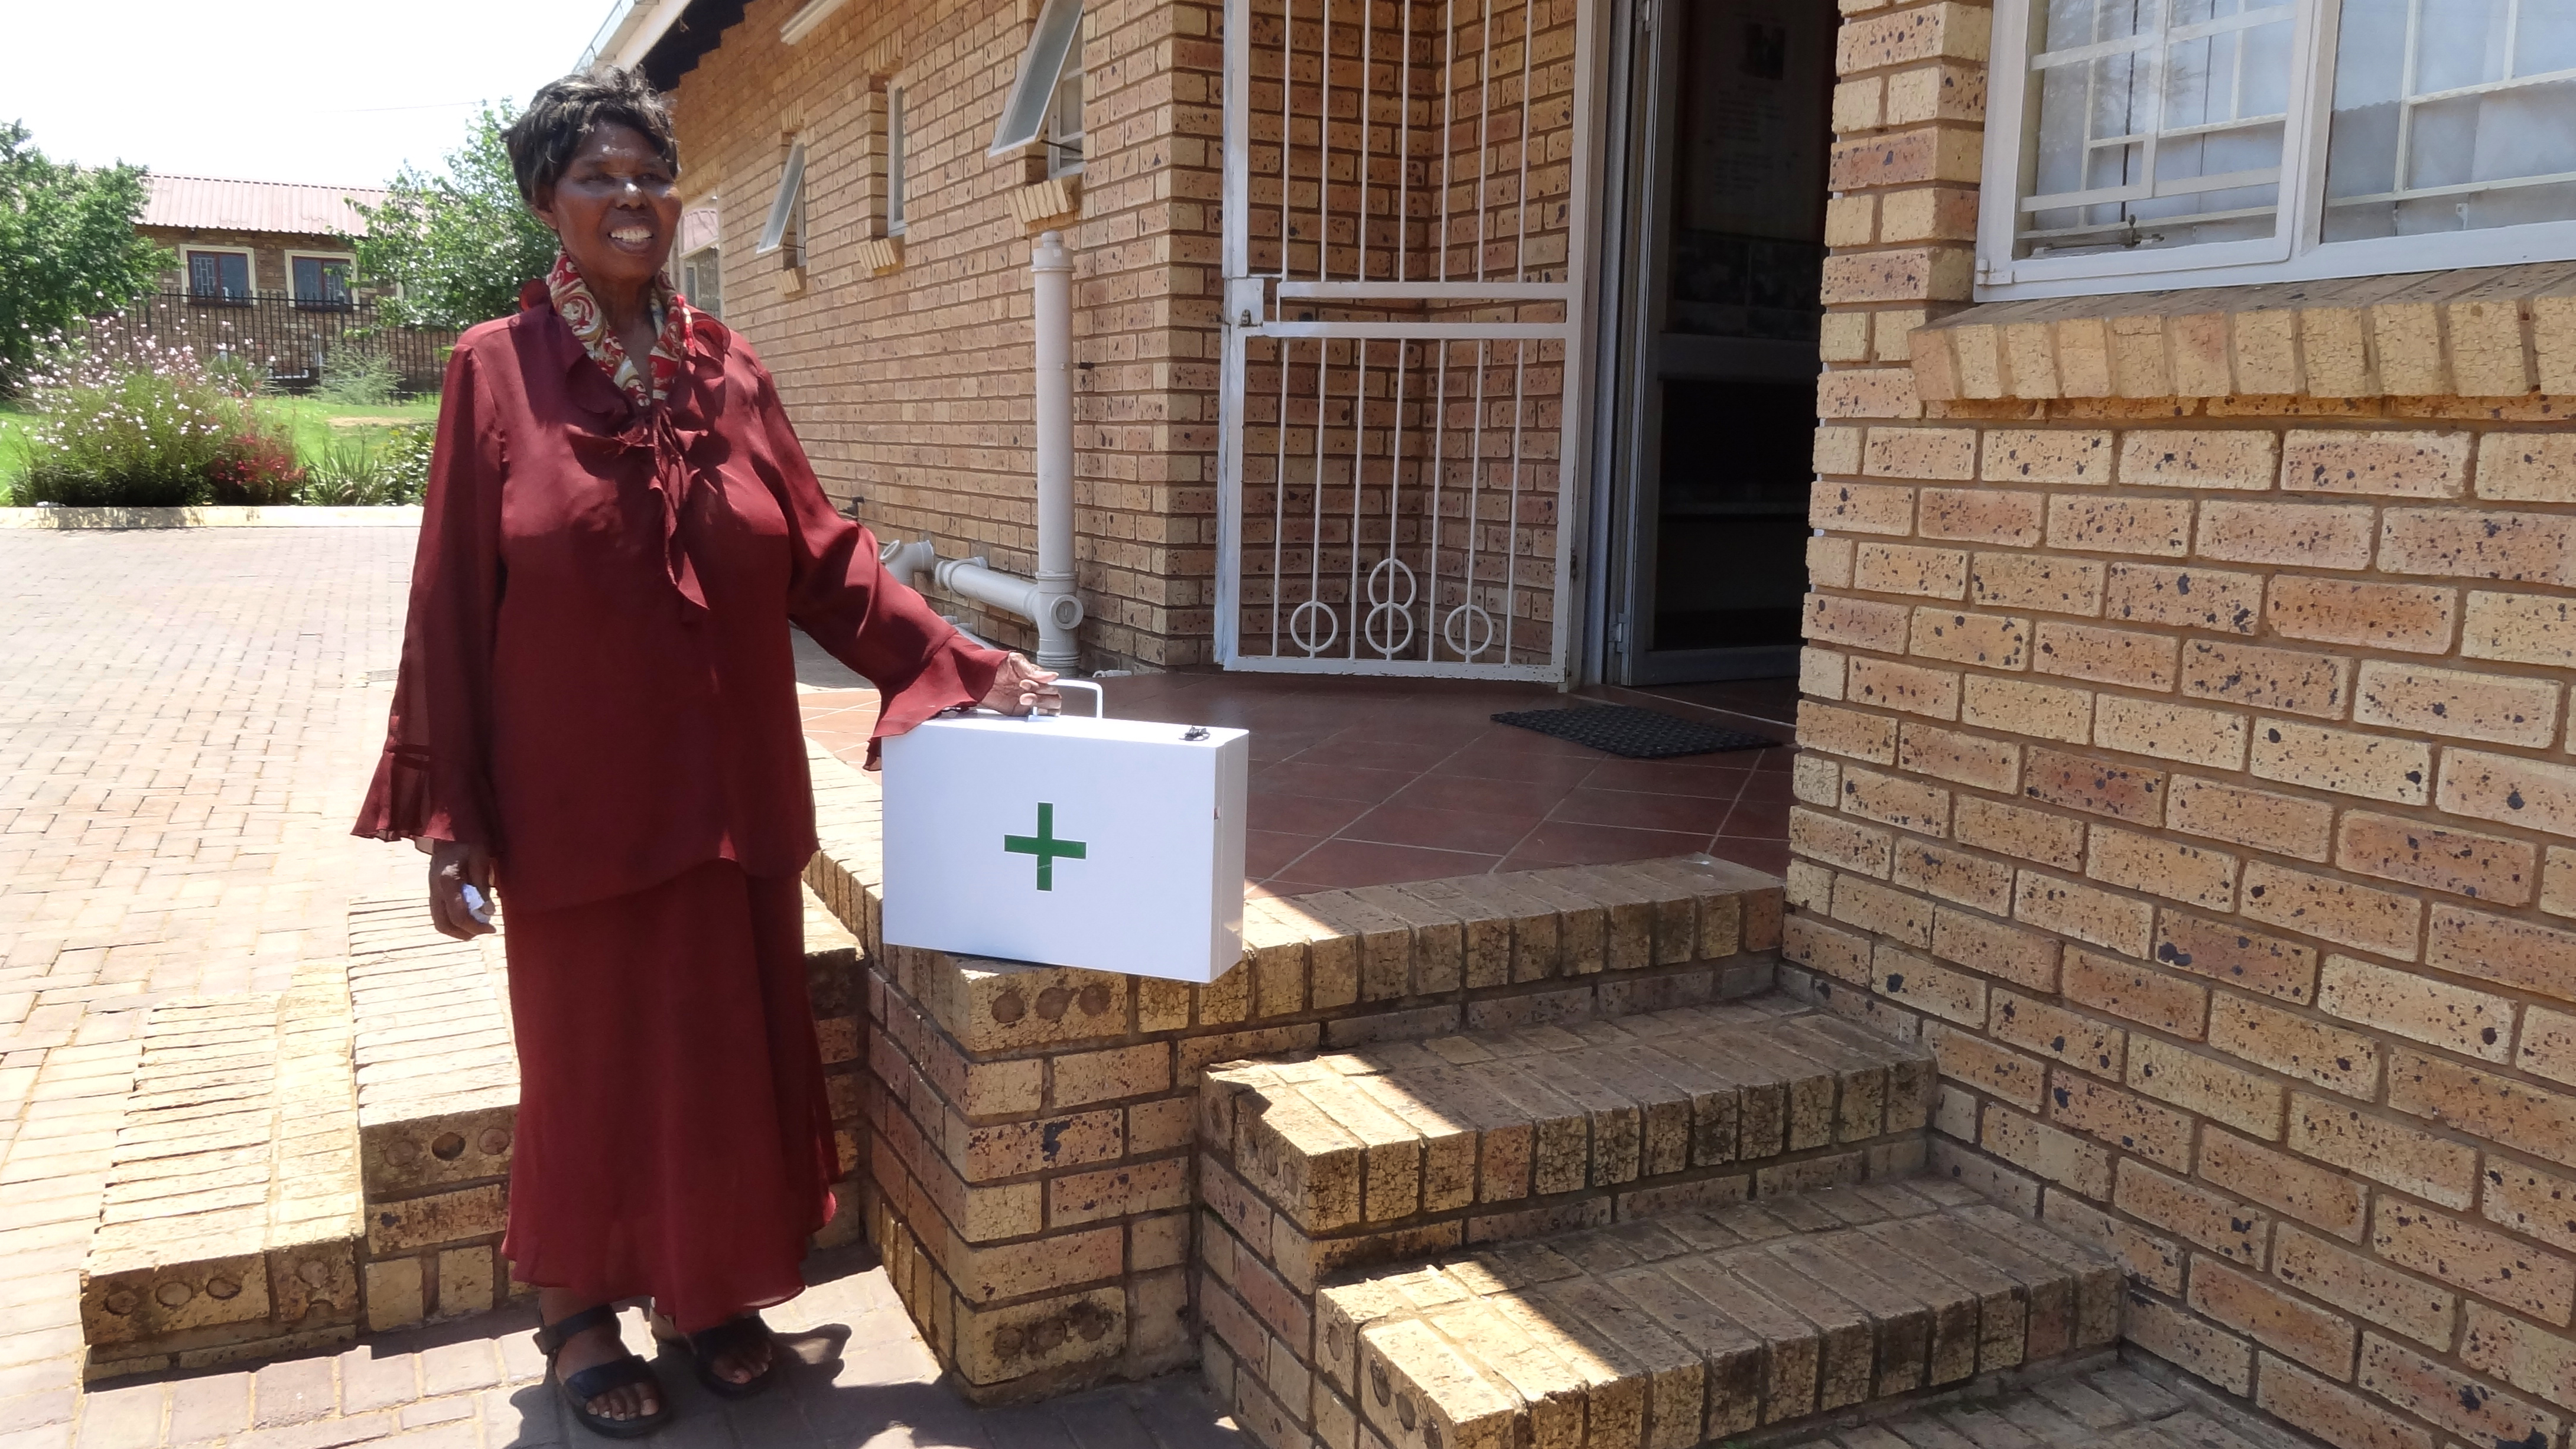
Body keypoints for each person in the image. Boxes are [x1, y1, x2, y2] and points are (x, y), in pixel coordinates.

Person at [353, 67, 1060, 1438]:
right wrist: (452, 820)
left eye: (649, 175)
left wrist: (959, 660)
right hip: (573, 807)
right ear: (547, 202)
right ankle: (577, 1312)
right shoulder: (492, 368)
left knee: (725, 1059)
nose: (631, 197)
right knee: (590, 1065)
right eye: (597, 176)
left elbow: (824, 559)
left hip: (731, 795)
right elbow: (448, 599)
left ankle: (707, 1294)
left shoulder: (727, 366)